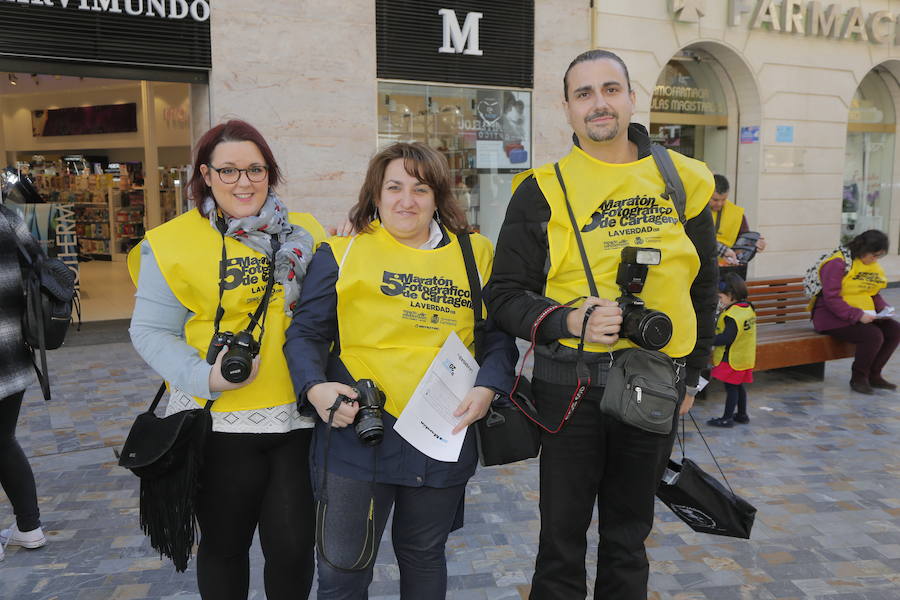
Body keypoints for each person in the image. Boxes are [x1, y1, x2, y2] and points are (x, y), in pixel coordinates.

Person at [485, 49, 718, 599]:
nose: (599, 103)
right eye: (584, 93)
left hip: (655, 382)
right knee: (560, 539)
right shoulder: (540, 188)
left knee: (629, 537)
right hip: (570, 386)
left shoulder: (685, 181)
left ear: (632, 98)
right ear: (566, 108)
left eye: (610, 89)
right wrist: (568, 318)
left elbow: (704, 286)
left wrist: (696, 375)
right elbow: (503, 295)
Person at [284, 142, 517, 599]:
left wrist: (489, 387)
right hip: (358, 433)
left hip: (441, 430)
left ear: (438, 197)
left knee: (423, 555)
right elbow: (305, 333)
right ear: (375, 193)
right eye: (394, 187)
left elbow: (497, 337)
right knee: (342, 570)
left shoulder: (475, 253)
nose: (406, 200)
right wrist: (315, 388)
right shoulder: (341, 253)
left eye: (420, 188)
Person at [128, 120, 326, 599]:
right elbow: (150, 331)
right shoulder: (173, 242)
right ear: (206, 174)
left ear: (269, 173)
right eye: (230, 170)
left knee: (295, 549)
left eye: (255, 169)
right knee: (224, 546)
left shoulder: (307, 233)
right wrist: (204, 376)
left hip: (295, 419)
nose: (244, 181)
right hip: (217, 422)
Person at [0, 203, 48, 562]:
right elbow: (40, 264)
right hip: (11, 355)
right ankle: (29, 527)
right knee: (3, 442)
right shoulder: (7, 216)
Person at [812, 229, 900, 395]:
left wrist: (884, 309)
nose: (875, 260)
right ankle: (859, 378)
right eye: (874, 255)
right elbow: (831, 298)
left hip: (861, 312)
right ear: (863, 249)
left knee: (894, 330)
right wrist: (857, 315)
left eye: (879, 256)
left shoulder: (869, 264)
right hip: (830, 317)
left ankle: (874, 374)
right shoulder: (837, 263)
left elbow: (872, 292)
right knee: (872, 335)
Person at [707, 273, 756, 428]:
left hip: (732, 357)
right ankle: (742, 415)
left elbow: (726, 338)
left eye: (721, 298)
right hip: (745, 356)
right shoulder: (747, 308)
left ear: (731, 296)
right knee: (739, 385)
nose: (719, 301)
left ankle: (727, 418)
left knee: (731, 387)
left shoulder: (732, 315)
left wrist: (707, 339)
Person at [709, 174, 766, 267]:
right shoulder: (696, 210)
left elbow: (744, 241)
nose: (719, 204)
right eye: (715, 200)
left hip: (727, 267)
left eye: (723, 200)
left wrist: (754, 243)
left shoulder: (736, 213)